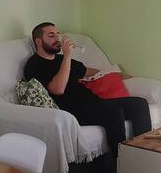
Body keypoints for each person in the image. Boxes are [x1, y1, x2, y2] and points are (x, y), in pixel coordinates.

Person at [24, 22, 152, 156]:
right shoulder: (35, 64)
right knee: (113, 112)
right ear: (38, 41)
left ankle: (144, 155)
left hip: (93, 102)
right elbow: (58, 89)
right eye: (51, 36)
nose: (57, 39)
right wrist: (67, 56)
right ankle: (121, 161)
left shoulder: (60, 59)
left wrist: (117, 75)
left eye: (57, 34)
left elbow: (88, 71)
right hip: (71, 110)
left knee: (140, 104)